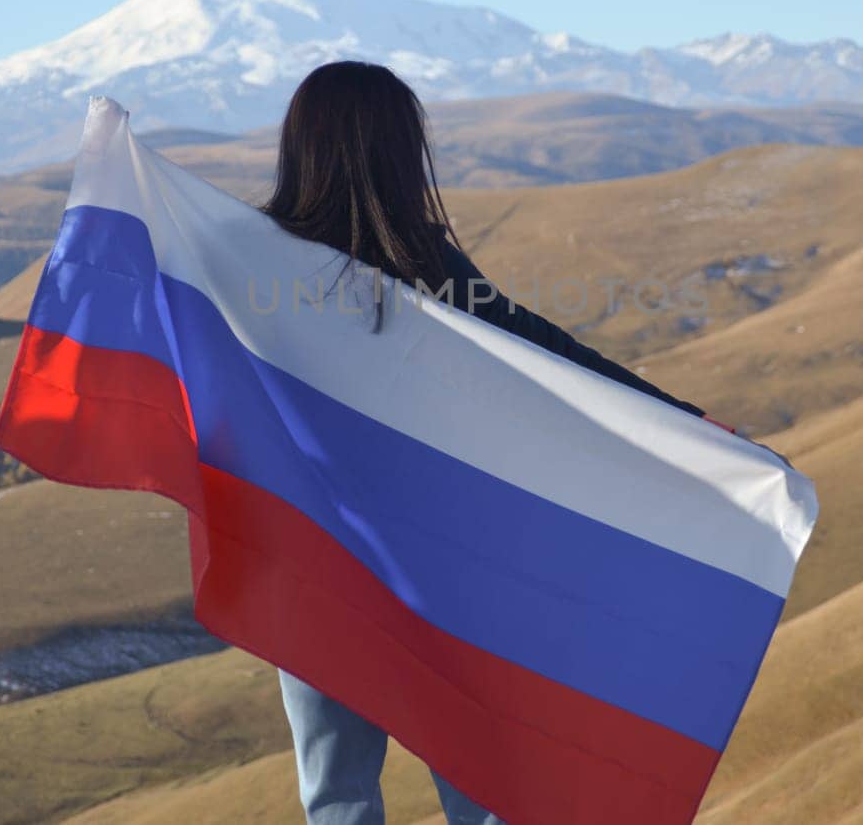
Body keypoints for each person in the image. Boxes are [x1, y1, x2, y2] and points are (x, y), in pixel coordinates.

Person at [260, 60, 718, 825]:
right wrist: (677, 421)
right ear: (390, 153)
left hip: (307, 562)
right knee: (485, 787)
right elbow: (541, 356)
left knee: (337, 794)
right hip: (433, 568)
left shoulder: (251, 261)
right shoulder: (424, 264)